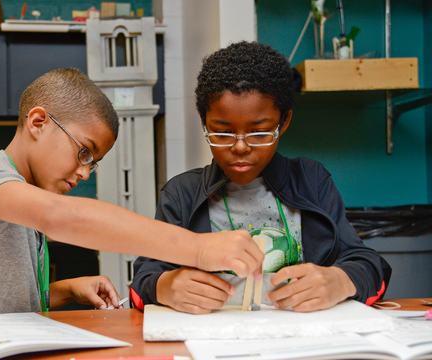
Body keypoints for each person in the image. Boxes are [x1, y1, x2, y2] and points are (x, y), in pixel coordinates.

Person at [0, 68, 265, 316]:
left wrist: (62, 292)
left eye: (93, 162)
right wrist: (199, 248)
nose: (85, 171)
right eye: (84, 152)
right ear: (38, 122)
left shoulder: (22, 198)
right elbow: (60, 216)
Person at [130, 41, 391, 314]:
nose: (240, 147)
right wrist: (165, 285)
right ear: (204, 121)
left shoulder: (311, 181)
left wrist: (340, 281)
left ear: (284, 122)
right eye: (222, 133)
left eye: (258, 133)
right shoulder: (183, 193)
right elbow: (143, 278)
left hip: (303, 339)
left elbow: (368, 264)